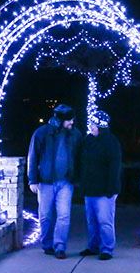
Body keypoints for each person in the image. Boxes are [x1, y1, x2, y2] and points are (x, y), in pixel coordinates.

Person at [27, 103, 82, 259]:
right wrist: (33, 180)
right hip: (46, 181)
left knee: (64, 215)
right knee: (45, 215)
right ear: (60, 120)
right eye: (69, 120)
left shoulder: (75, 135)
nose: (72, 122)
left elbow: (79, 157)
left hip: (66, 182)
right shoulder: (42, 133)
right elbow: (33, 156)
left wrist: (77, 177)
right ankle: (47, 244)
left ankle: (60, 247)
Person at [79, 110, 122, 260]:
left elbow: (114, 167)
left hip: (105, 190)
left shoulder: (111, 142)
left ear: (100, 126)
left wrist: (111, 188)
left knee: (104, 220)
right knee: (92, 221)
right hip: (90, 189)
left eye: (93, 124)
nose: (91, 127)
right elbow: (83, 164)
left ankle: (107, 249)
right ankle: (93, 246)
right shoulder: (87, 140)